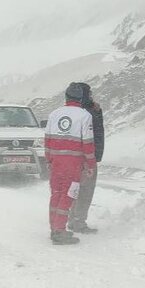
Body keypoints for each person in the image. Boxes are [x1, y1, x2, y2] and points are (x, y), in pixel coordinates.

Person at [44, 83, 97, 245]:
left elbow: (47, 140)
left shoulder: (54, 114)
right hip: (73, 163)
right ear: (80, 99)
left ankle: (54, 228)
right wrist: (91, 164)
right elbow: (88, 143)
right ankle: (60, 232)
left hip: (56, 162)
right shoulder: (84, 115)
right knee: (68, 195)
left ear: (66, 97)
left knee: (56, 193)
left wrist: (49, 160)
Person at [68, 83, 104, 234]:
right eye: (89, 94)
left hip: (77, 157)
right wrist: (92, 159)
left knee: (75, 189)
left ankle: (72, 219)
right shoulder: (87, 113)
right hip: (86, 158)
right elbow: (91, 138)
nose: (91, 96)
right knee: (85, 190)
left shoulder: (76, 112)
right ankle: (78, 222)